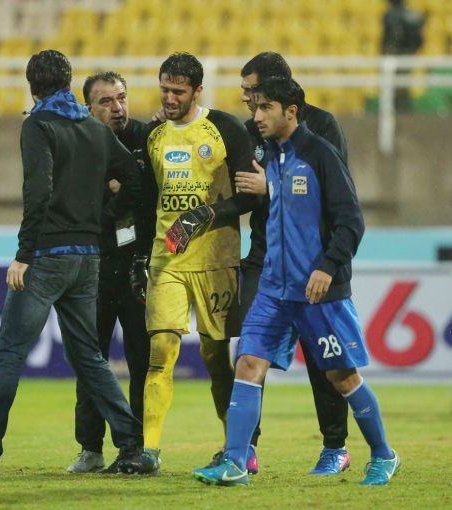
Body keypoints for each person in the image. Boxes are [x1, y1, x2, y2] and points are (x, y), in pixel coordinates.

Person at [0, 50, 157, 476]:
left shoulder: (38, 125)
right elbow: (135, 180)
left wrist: (23, 254)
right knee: (89, 357)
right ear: (68, 84)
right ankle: (132, 446)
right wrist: (102, 214)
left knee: (10, 352)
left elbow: (38, 191)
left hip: (47, 257)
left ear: (32, 87)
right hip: (89, 259)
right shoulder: (95, 129)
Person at [192, 76, 400, 487]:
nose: (256, 115)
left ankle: (383, 454)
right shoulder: (271, 157)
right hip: (274, 289)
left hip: (317, 291)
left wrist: (327, 267)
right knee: (248, 363)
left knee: (342, 377)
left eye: (265, 107)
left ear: (291, 111)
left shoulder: (320, 155)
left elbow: (351, 221)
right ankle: (236, 461)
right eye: (255, 107)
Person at [231, 51, 352, 476]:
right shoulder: (250, 131)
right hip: (264, 258)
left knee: (324, 360)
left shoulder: (322, 127)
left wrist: (271, 186)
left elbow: (335, 198)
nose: (246, 99)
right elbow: (244, 193)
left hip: (311, 261)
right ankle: (243, 448)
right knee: (249, 350)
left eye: (252, 90)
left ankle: (335, 446)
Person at [140, 52, 260, 470]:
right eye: (164, 90)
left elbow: (249, 194)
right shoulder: (153, 134)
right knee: (161, 348)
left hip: (216, 260)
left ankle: (235, 447)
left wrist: (205, 213)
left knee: (215, 356)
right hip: (168, 257)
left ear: (197, 91)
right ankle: (149, 450)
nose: (169, 98)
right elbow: (146, 199)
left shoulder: (225, 129)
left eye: (178, 91)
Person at [65, 71, 158, 473]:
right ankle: (91, 449)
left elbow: (150, 196)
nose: (117, 108)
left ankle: (140, 448)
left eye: (121, 98)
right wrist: (113, 196)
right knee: (91, 360)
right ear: (88, 108)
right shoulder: (76, 143)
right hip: (95, 268)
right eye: (106, 101)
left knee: (142, 363)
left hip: (139, 268)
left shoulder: (148, 138)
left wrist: (114, 196)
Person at [381, 0, 425, 112]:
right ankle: (401, 110)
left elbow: (394, 35)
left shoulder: (392, 15)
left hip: (399, 54)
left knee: (398, 84)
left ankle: (401, 111)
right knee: (400, 84)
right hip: (406, 53)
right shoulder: (411, 15)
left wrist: (389, 49)